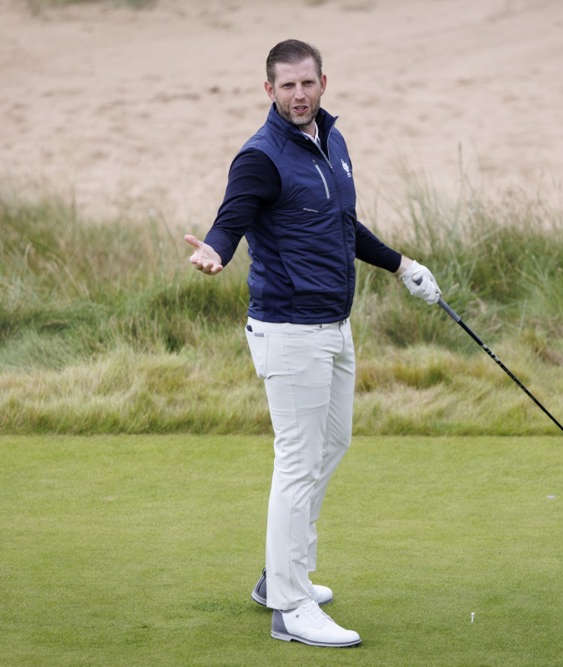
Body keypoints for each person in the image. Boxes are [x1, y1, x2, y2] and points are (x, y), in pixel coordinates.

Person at [183, 39, 441, 648]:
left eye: (307, 83)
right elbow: (232, 218)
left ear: (324, 83)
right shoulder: (261, 157)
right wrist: (215, 250)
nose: (298, 95)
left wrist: (402, 265)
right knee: (298, 463)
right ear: (269, 90)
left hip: (333, 325)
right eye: (287, 86)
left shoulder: (331, 141)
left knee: (332, 444)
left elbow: (342, 225)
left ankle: (280, 575)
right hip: (290, 329)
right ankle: (290, 606)